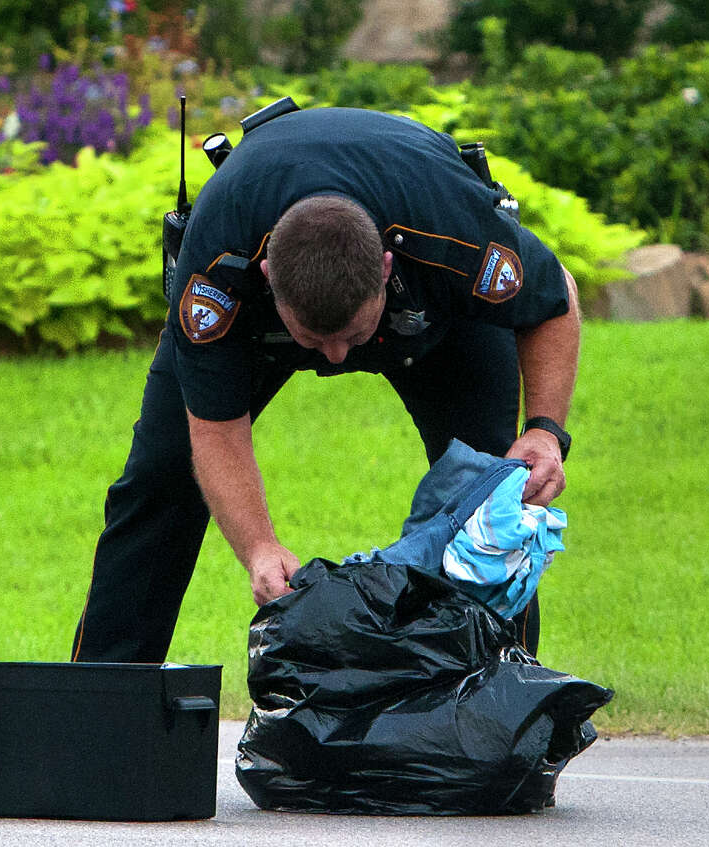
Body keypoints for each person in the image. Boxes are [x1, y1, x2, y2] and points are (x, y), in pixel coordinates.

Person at [71, 106, 579, 663]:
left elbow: (555, 299)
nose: (338, 356)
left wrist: (545, 430)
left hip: (433, 314)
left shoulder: (451, 232)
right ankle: (104, 703)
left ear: (386, 269)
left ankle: (493, 703)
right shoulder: (218, 266)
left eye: (352, 335)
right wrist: (259, 549)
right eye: (315, 340)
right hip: (256, 316)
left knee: (494, 494)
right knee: (159, 478)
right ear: (267, 280)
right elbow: (214, 430)